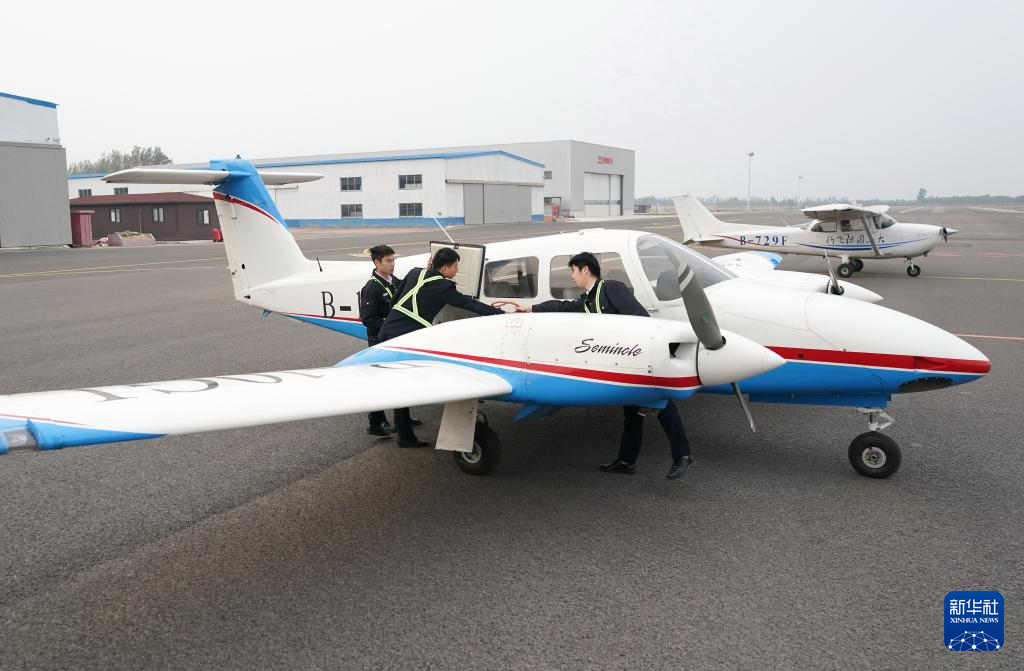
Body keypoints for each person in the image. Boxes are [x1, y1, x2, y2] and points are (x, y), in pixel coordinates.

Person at [520, 252, 694, 479]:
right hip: (621, 364)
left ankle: (683, 455)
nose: (572, 277)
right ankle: (626, 461)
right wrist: (533, 309)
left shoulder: (611, 288)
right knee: (633, 413)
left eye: (573, 271)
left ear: (585, 269)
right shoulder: (587, 300)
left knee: (660, 402)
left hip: (639, 359)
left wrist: (644, 355)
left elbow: (640, 319)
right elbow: (563, 306)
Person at [378, 247, 504, 447]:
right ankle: (405, 437)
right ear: (445, 269)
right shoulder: (444, 287)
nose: (457, 270)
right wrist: (500, 314)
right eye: (455, 266)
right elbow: (469, 304)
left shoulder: (415, 272)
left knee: (400, 383)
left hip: (388, 329)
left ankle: (404, 428)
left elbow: (395, 298)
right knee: (402, 386)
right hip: (405, 336)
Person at [359, 244, 404, 437]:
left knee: (399, 377)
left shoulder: (393, 281)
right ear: (377, 263)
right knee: (381, 380)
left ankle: (403, 418)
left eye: (393, 260)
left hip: (394, 337)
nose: (392, 264)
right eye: (388, 261)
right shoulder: (371, 288)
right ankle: (376, 422)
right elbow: (368, 319)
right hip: (380, 340)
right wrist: (391, 326)